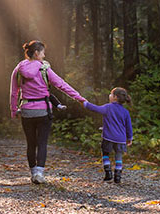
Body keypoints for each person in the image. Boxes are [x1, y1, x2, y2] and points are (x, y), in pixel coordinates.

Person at [10, 40, 86, 184]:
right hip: (43, 111)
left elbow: (14, 92)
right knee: (42, 142)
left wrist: (14, 110)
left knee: (31, 143)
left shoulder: (18, 69)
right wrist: (79, 98)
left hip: (26, 111)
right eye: (43, 52)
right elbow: (61, 85)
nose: (44, 56)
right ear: (37, 53)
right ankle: (39, 173)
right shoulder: (44, 69)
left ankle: (33, 174)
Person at [82, 87, 133, 184]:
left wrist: (85, 103)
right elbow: (129, 127)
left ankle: (108, 172)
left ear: (115, 97)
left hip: (108, 137)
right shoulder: (125, 112)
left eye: (111, 94)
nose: (109, 96)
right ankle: (118, 176)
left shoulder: (108, 107)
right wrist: (129, 138)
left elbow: (95, 109)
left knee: (105, 154)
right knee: (119, 156)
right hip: (121, 139)